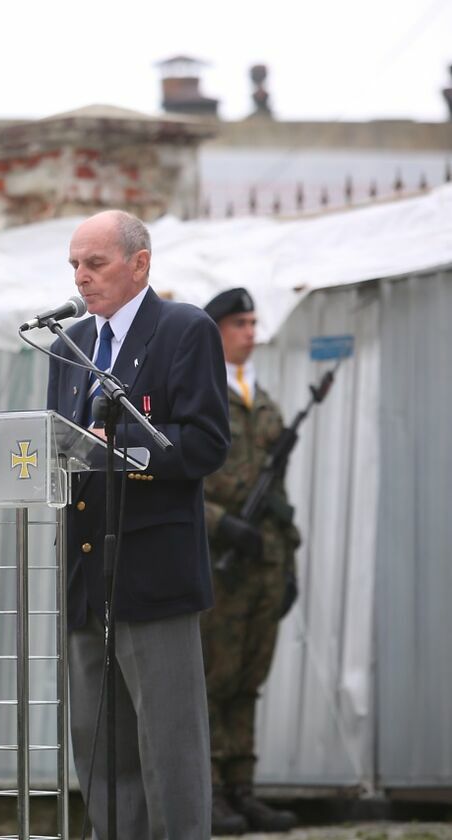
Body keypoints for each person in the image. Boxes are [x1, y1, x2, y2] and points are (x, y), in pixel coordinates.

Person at [45, 210, 231, 839]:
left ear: (139, 263)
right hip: (85, 573)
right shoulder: (67, 345)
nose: (81, 276)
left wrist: (123, 450)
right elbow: (60, 442)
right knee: (101, 751)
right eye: (75, 264)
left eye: (95, 263)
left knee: (169, 747)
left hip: (153, 574)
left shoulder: (184, 330)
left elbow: (206, 442)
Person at [199, 288, 301, 834]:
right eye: (239, 323)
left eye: (254, 323)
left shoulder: (265, 402)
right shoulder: (200, 396)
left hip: (265, 560)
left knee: (248, 680)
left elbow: (278, 492)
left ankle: (243, 789)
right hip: (221, 562)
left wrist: (291, 564)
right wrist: (222, 525)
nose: (250, 333)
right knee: (214, 680)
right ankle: (210, 792)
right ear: (215, 331)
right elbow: (179, 485)